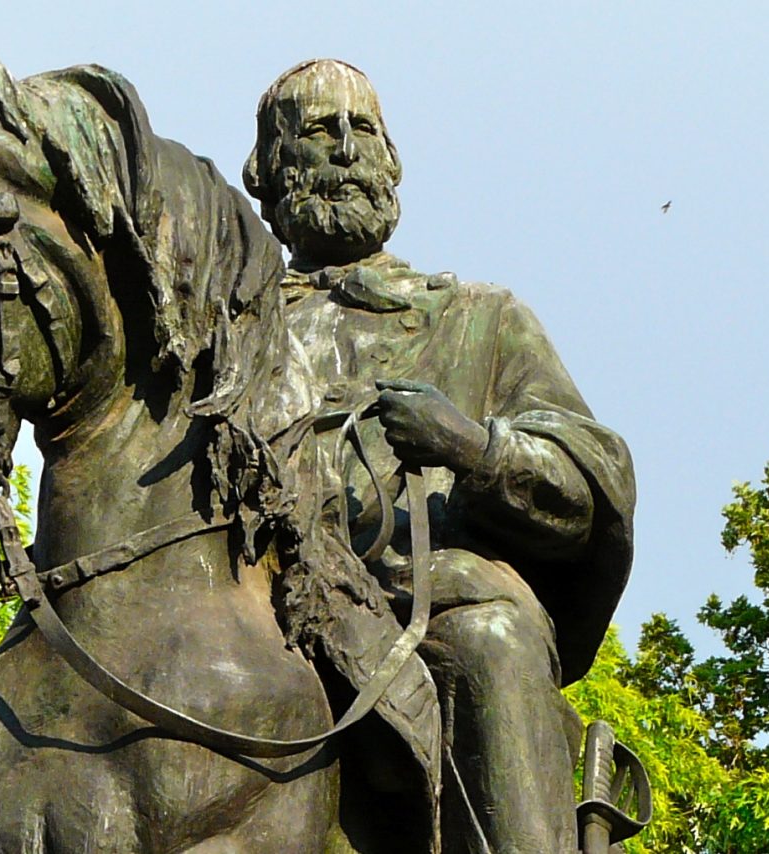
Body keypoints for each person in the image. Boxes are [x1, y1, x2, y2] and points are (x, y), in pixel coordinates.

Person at [244, 59, 636, 852]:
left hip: (423, 604)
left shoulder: (479, 317)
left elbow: (589, 488)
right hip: (249, 602)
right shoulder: (224, 336)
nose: (348, 150)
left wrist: (476, 448)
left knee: (494, 634)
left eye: (365, 131)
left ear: (391, 162)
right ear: (273, 168)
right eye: (321, 131)